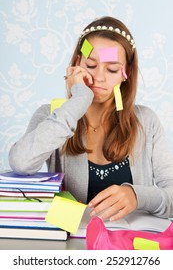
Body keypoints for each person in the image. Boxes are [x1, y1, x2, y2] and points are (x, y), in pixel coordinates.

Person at [9, 16, 173, 222]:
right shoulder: (50, 116)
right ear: (77, 63)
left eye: (112, 69)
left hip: (131, 245)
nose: (99, 77)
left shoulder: (146, 121)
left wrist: (137, 196)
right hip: (72, 248)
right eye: (91, 65)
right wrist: (79, 99)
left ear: (126, 73)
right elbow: (20, 163)